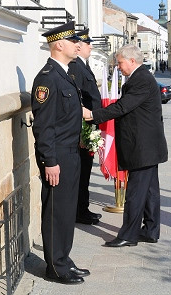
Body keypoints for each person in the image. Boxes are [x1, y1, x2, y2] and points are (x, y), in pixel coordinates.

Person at [82, 44, 168, 247]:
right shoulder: (141, 78)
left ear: (131, 61)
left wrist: (93, 115)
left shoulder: (142, 80)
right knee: (149, 191)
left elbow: (123, 107)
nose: (118, 67)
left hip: (143, 147)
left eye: (120, 63)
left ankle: (129, 235)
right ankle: (150, 230)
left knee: (136, 192)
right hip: (147, 146)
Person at [31, 21, 89, 284]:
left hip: (70, 152)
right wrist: (49, 161)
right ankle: (55, 267)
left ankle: (64, 259)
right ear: (59, 45)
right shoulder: (47, 78)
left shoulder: (65, 73)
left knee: (67, 212)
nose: (78, 45)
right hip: (58, 157)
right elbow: (44, 126)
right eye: (73, 41)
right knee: (56, 212)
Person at [68, 28, 102, 225]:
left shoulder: (82, 65)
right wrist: (83, 131)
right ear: (79, 46)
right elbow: (78, 101)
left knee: (86, 170)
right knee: (82, 172)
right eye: (88, 43)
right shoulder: (75, 67)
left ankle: (83, 208)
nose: (91, 47)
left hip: (90, 125)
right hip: (84, 127)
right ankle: (80, 210)